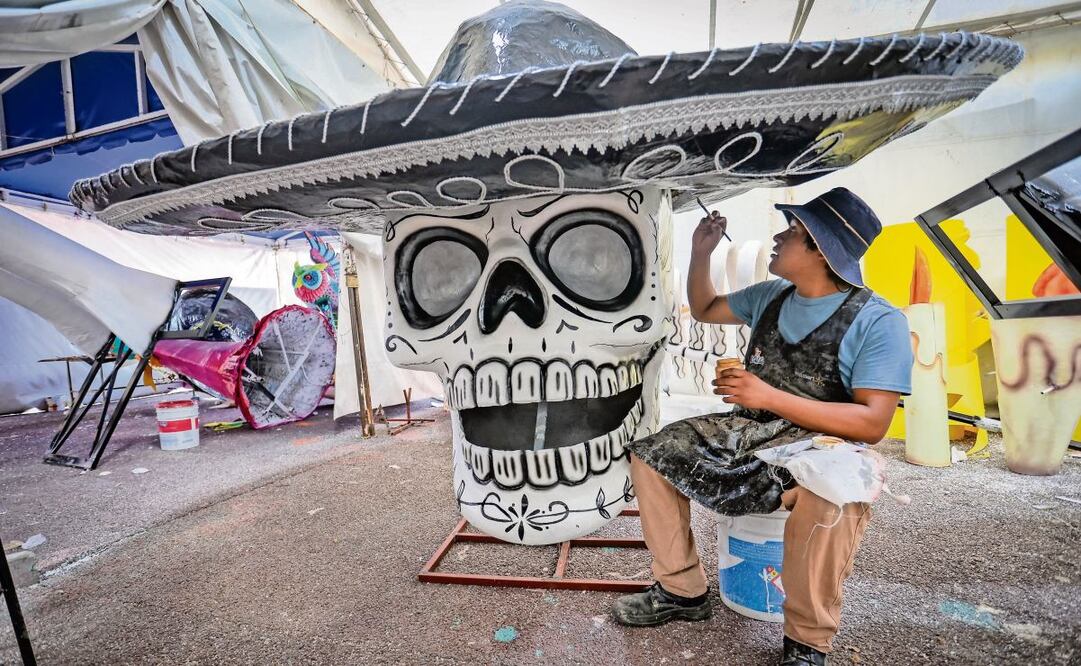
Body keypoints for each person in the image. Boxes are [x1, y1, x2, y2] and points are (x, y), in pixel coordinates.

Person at [611, 187, 913, 666]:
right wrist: (701, 251)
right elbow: (706, 307)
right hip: (751, 430)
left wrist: (766, 395)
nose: (777, 238)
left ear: (821, 249)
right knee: (652, 455)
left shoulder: (878, 321)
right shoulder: (771, 296)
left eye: (791, 231)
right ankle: (681, 589)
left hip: (822, 445)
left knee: (834, 496)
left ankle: (807, 641)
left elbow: (873, 422)